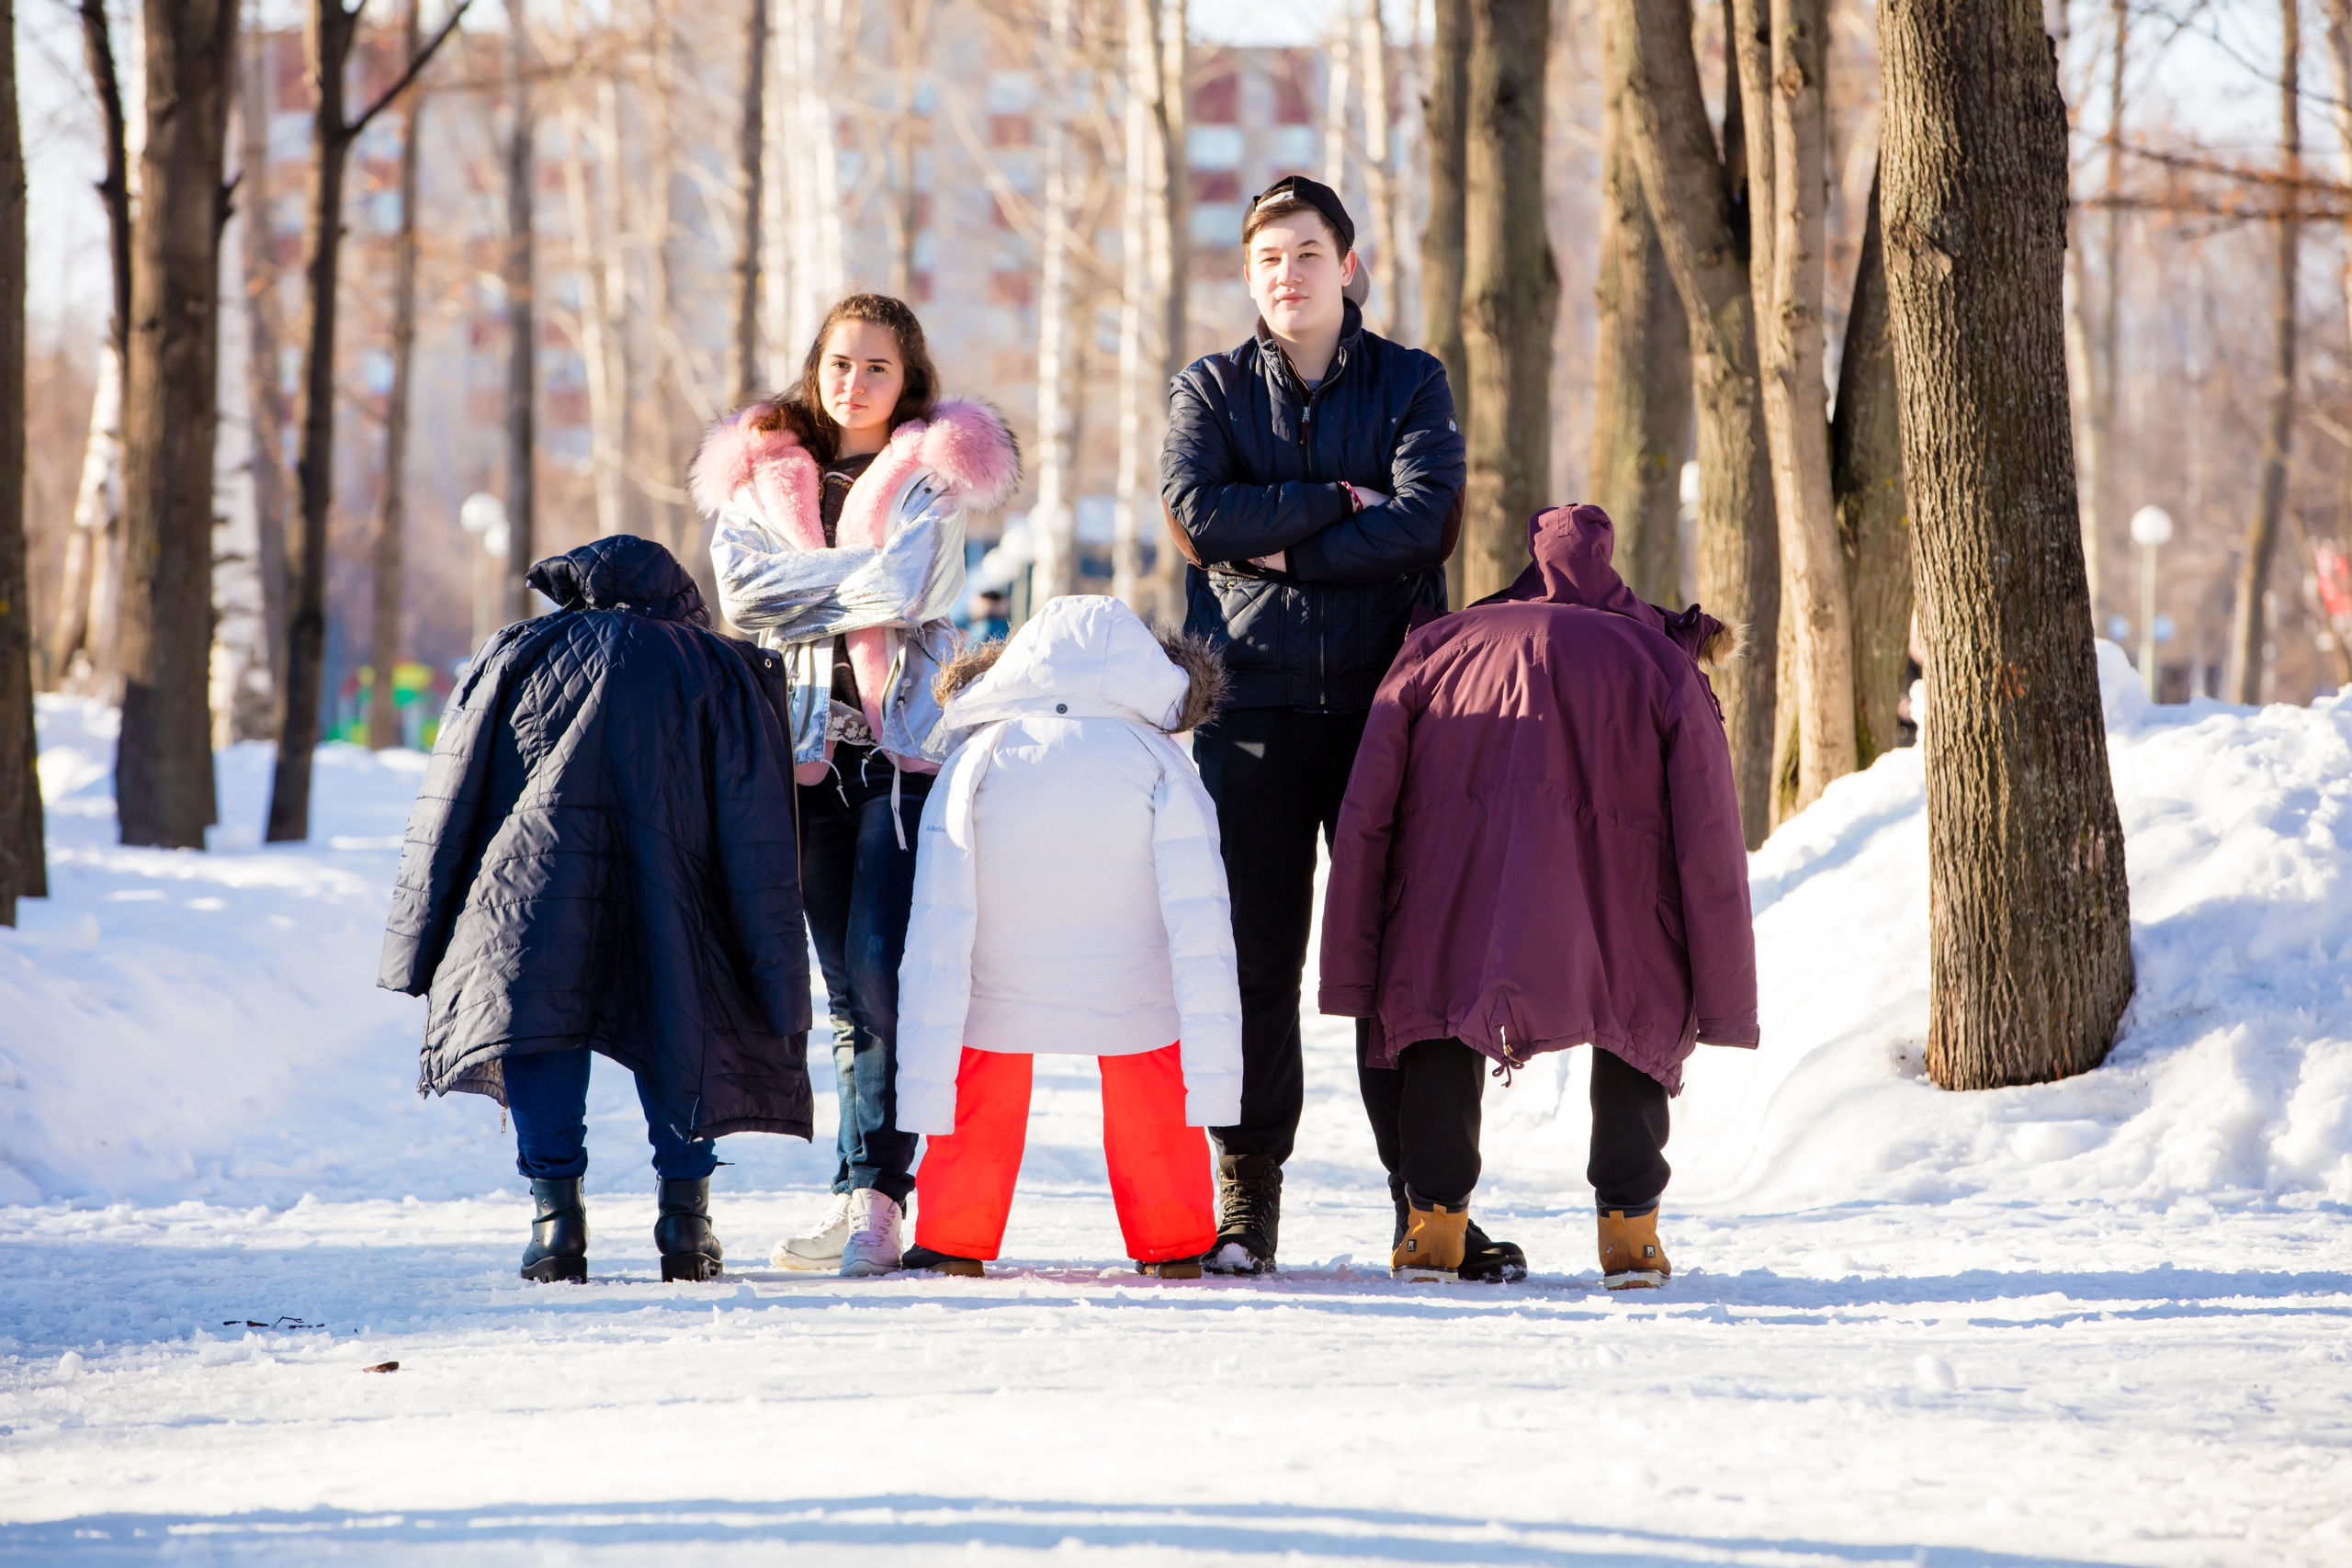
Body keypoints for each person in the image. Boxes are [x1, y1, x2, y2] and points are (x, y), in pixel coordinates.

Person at [1318, 504, 1758, 1286]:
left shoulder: (1439, 648)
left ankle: (1433, 1229)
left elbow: (1364, 818)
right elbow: (1712, 837)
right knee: (1634, 1007)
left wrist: (1355, 954)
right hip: (1617, 897)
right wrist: (1723, 991)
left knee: (1444, 994)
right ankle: (1631, 1237)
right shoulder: (1660, 662)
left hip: (1453, 882)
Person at [1158, 174, 1471, 1274]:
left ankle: (1427, 1208)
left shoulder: (1411, 381)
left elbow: (1424, 525)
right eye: (1264, 259)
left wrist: (1273, 542)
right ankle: (1248, 1203)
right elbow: (1201, 516)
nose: (1283, 274)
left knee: (1402, 959)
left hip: (1393, 710)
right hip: (1251, 711)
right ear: (1248, 278)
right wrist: (1344, 502)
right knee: (1253, 960)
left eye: (1303, 253)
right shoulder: (1207, 389)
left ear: (1346, 266)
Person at [382, 536, 812, 1284]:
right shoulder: (720, 663)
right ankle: (686, 1218)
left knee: (539, 1015)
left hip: (528, 880)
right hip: (681, 885)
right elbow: (758, 821)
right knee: (684, 1016)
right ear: (677, 592)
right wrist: (770, 953)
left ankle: (556, 1223)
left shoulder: (512, 651)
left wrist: (421, 933)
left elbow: (449, 794)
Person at [692, 293, 1020, 1277]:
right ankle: (856, 1195)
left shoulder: (932, 472)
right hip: (798, 758)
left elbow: (908, 589)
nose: (854, 383)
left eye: (876, 367)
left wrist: (817, 588)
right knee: (842, 988)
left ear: (906, 375)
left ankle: (880, 1197)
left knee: (883, 972)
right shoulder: (757, 474)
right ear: (816, 369)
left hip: (898, 759)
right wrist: (857, 575)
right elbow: (742, 599)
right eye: (840, 364)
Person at [892, 595, 1243, 1277]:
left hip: (1001, 975)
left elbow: (940, 895)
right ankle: (1172, 1242)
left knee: (981, 1084)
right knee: (1152, 1090)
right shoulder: (1159, 757)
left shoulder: (983, 751)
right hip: (1130, 978)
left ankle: (955, 1239)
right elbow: (1197, 901)